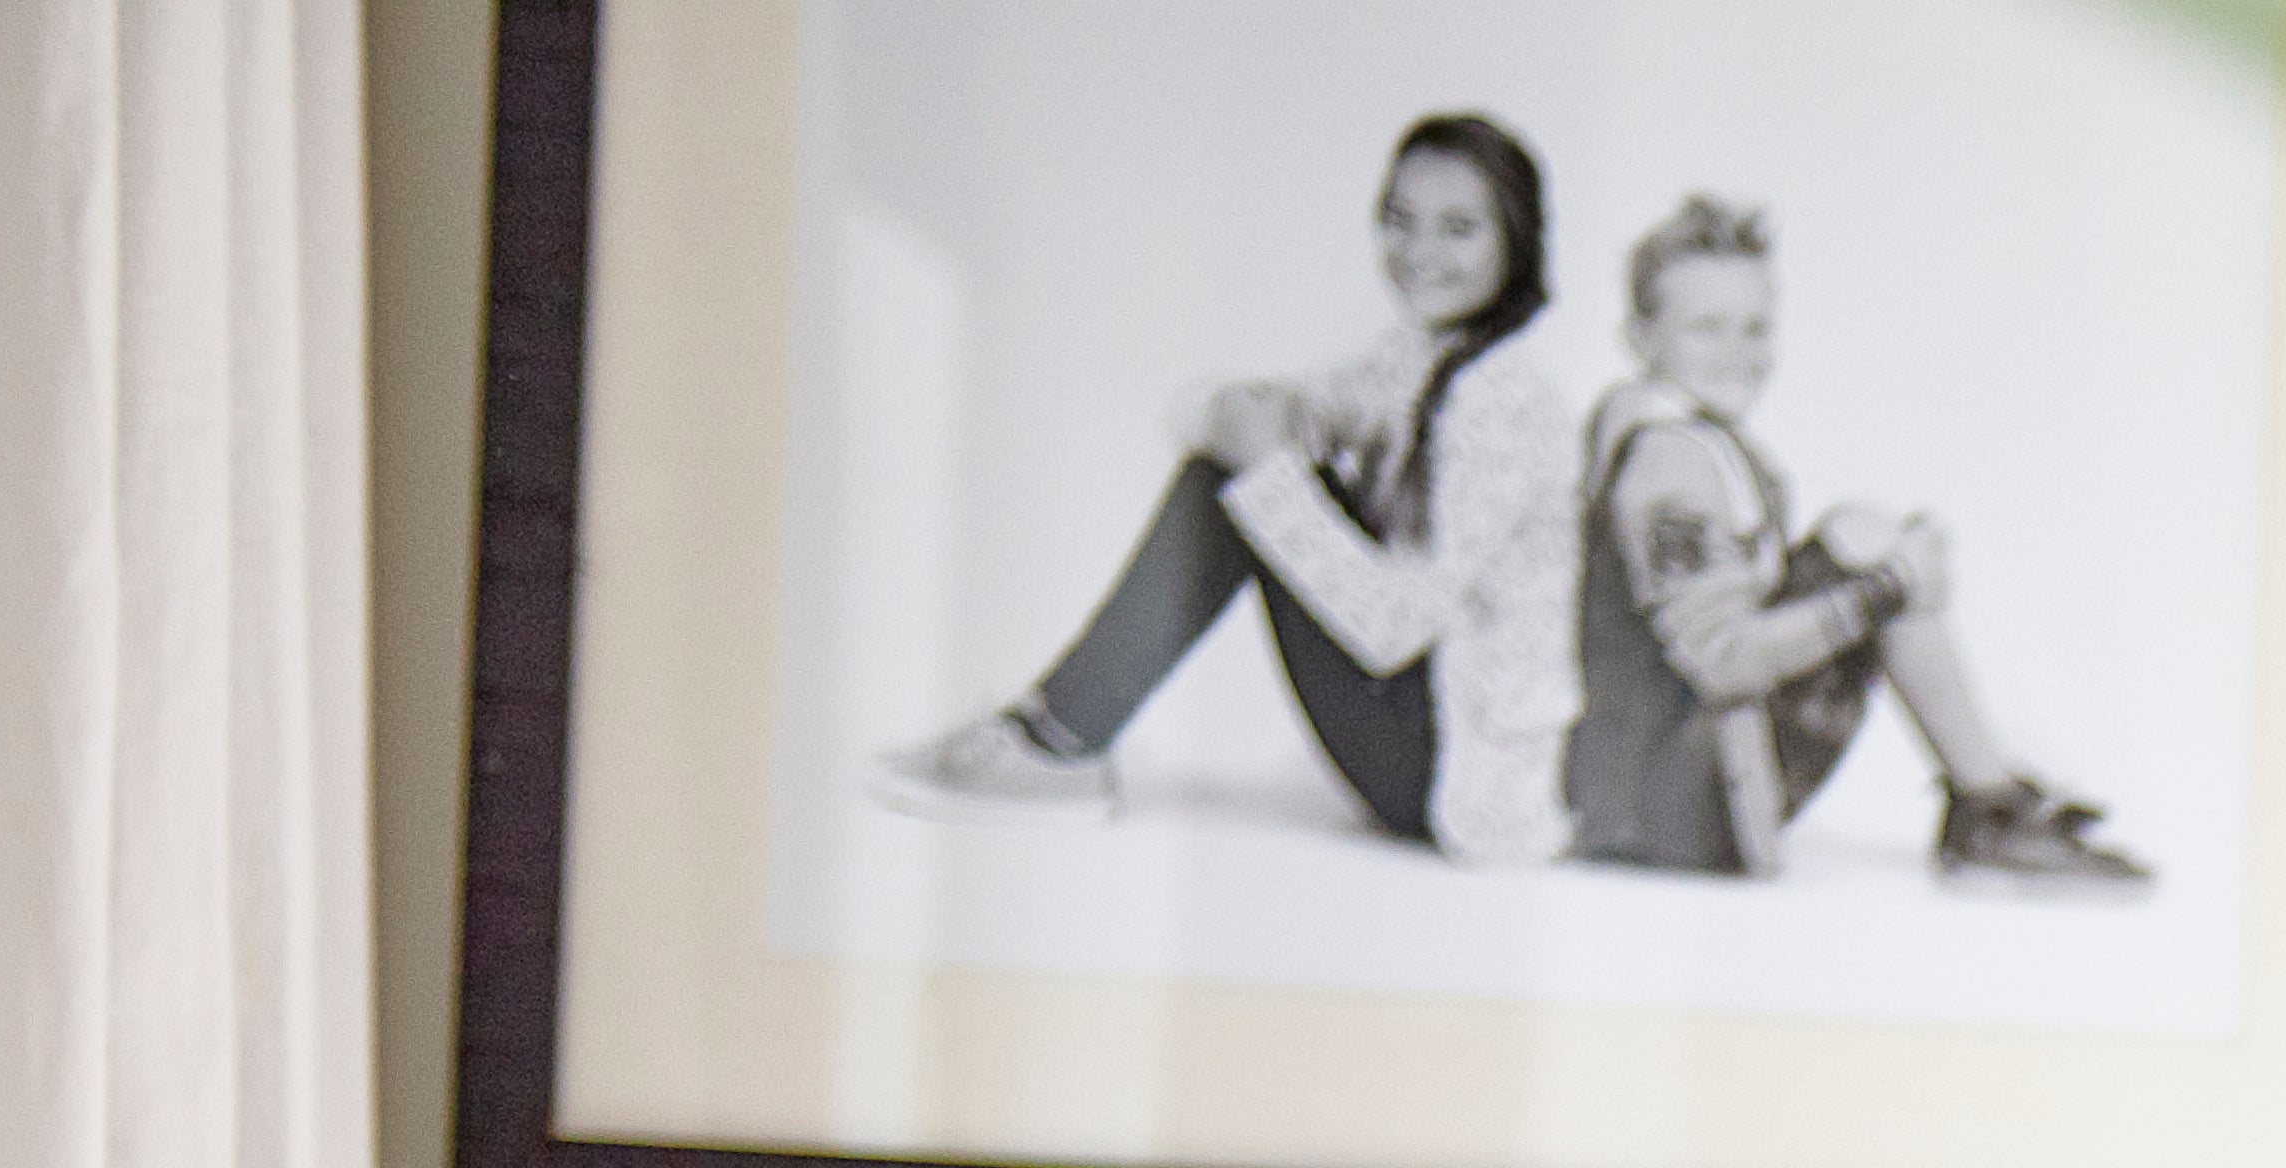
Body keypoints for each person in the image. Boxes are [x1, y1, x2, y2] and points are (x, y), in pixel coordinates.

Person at [874, 114, 1579, 864]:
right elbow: (1293, 406)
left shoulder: (1506, 401)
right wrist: (1243, 415)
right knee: (1237, 473)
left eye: (1459, 228)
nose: (1419, 253)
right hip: (1423, 725)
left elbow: (1393, 631)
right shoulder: (1424, 353)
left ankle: (1058, 738)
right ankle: (1056, 731)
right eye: (1399, 221)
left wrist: (1264, 470)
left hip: (1462, 779)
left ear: (1518, 236)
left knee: (1238, 485)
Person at [1566, 195, 2156, 892]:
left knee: (1862, 530)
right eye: (1708, 329)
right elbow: (1720, 661)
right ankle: (1986, 810)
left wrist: (1877, 569)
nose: (1741, 353)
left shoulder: (1692, 434)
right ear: (1640, 338)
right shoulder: (1670, 460)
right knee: (1873, 554)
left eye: (1757, 328)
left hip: (1656, 788)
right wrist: (1885, 592)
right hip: (1667, 814)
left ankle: (1985, 799)